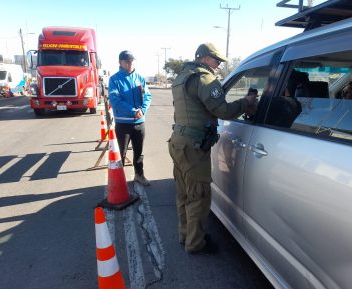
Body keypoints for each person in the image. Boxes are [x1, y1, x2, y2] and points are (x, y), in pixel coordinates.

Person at [168, 43, 257, 255]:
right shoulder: (203, 78)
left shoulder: (182, 76)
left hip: (178, 142)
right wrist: (246, 102)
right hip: (194, 147)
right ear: (205, 58)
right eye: (216, 61)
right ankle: (196, 243)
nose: (218, 65)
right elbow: (223, 110)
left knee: (184, 194)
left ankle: (185, 234)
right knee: (198, 196)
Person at [108, 50, 152, 186]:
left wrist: (142, 110)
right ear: (120, 62)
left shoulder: (139, 78)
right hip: (123, 124)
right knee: (120, 153)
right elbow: (115, 100)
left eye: (132, 61)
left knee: (139, 152)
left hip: (139, 122)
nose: (130, 63)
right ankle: (119, 181)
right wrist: (133, 111)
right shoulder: (114, 79)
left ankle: (139, 175)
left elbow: (147, 96)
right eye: (127, 61)